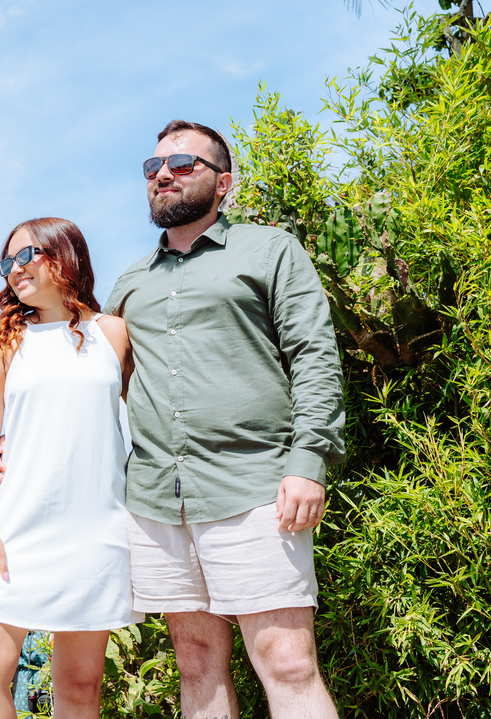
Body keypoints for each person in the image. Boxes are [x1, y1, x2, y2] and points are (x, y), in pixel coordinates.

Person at [103, 119, 346, 718]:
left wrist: (308, 462)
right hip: (156, 500)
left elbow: (314, 356)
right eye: (154, 166)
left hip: (257, 487)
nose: (163, 174)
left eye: (183, 164)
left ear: (223, 183)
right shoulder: (129, 284)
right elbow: (99, 382)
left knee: (288, 663)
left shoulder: (271, 251)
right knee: (194, 663)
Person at [0, 217, 143, 719]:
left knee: (80, 685)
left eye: (27, 255)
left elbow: (152, 416)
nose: (14, 269)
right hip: (15, 532)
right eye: (7, 262)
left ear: (65, 255)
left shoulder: (113, 333)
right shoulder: (4, 340)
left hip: (96, 532)